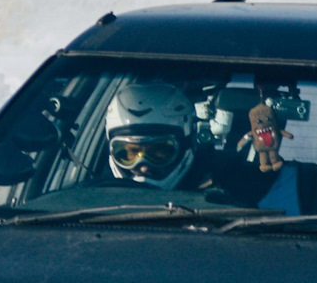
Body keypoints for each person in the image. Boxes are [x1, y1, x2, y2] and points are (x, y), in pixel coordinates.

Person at [102, 80, 264, 201]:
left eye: (158, 152)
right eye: (129, 154)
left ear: (189, 146)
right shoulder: (93, 197)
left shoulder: (235, 186)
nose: (143, 166)